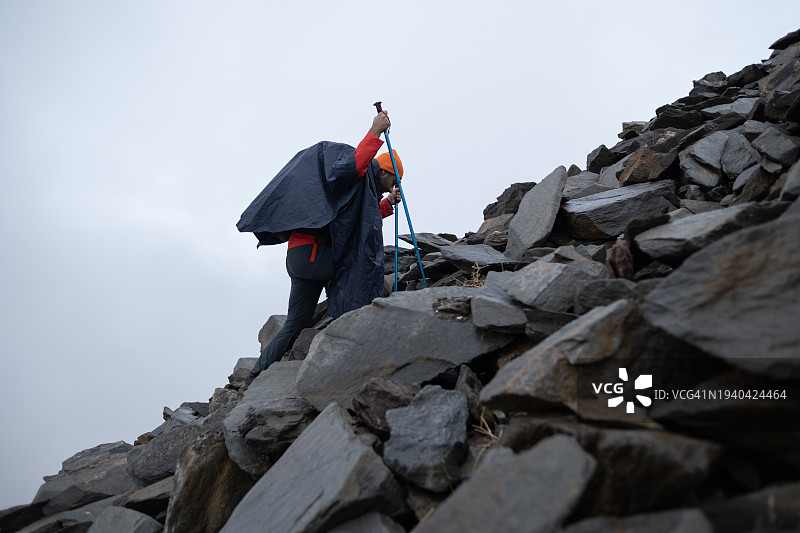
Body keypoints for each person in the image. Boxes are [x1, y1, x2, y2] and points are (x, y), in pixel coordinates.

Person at [236, 111, 404, 382]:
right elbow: (355, 166)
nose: (392, 186)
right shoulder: (360, 173)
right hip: (314, 254)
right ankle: (347, 346)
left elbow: (354, 217)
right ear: (384, 170)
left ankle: (256, 374)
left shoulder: (362, 190)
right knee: (356, 271)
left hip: (301, 257)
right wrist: (374, 131)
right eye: (393, 180)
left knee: (295, 323)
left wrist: (386, 205)